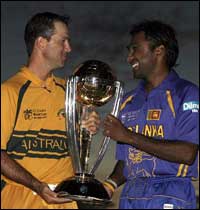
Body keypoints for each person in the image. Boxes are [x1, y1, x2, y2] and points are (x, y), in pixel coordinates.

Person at [1, 12, 100, 209]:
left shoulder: (71, 93)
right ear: (41, 42)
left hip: (66, 202)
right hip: (23, 201)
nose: (68, 48)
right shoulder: (9, 91)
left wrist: (87, 128)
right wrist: (38, 186)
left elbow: (75, 149)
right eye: (63, 41)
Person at [102, 20, 199, 209]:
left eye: (134, 49)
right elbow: (128, 159)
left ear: (159, 51)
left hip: (171, 193)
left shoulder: (187, 93)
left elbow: (187, 153)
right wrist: (109, 185)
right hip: (131, 195)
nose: (129, 58)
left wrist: (127, 135)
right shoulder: (128, 101)